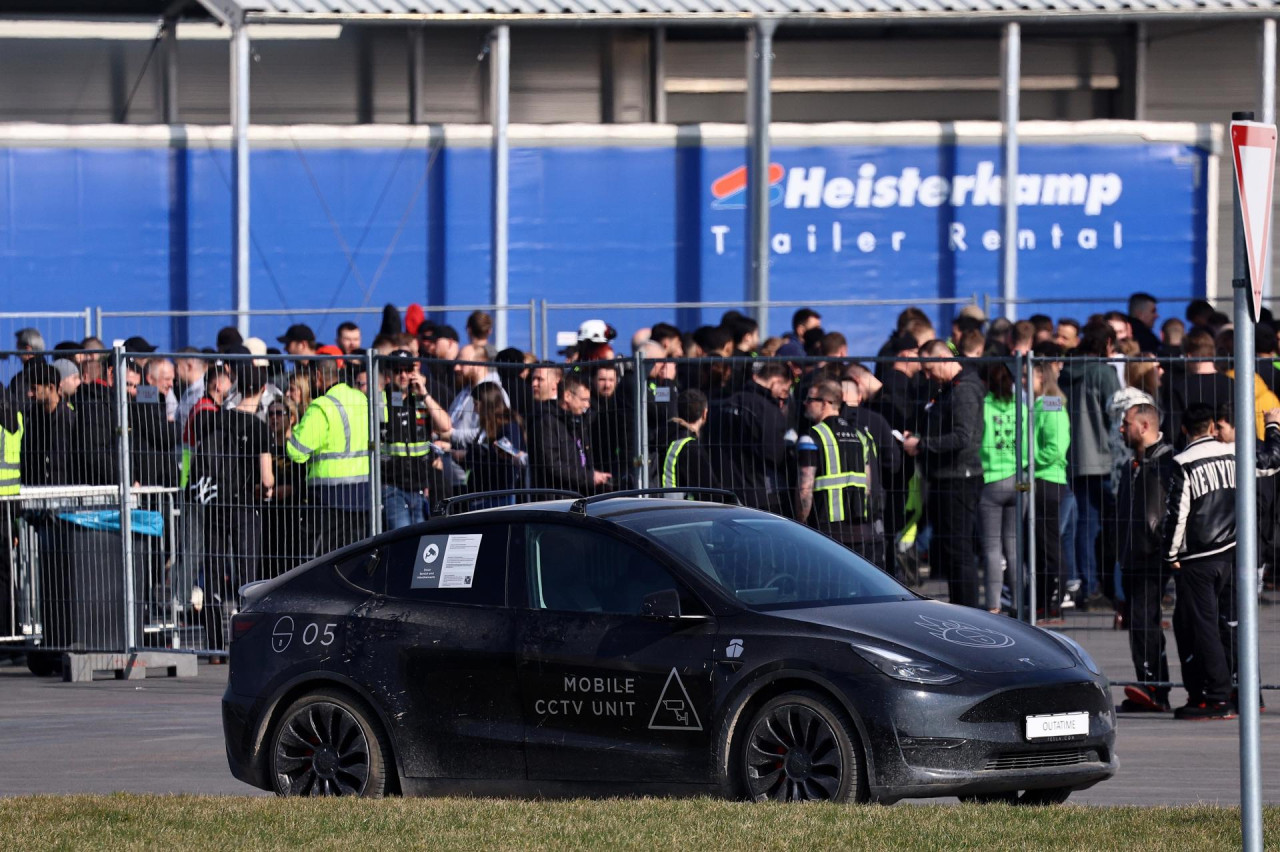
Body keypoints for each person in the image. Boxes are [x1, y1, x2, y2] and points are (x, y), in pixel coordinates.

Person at [1160, 403, 1280, 719]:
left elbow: (1177, 513)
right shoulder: (1234, 452)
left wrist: (1170, 553)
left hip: (1199, 557)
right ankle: (1243, 692)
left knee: (1203, 627)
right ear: (1212, 426)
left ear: (1185, 430)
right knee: (1230, 625)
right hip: (1234, 553)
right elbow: (1271, 464)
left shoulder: (1182, 462)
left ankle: (1215, 697)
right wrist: (1273, 428)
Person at [902, 339, 985, 608]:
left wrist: (923, 444)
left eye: (928, 369)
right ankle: (961, 607)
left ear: (942, 359)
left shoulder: (963, 391)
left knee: (959, 551)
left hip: (959, 479)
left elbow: (962, 437)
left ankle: (969, 611)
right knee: (951, 551)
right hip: (946, 477)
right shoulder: (950, 389)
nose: (927, 376)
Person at [1115, 402, 1175, 712]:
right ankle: (1151, 683)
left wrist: (1163, 545)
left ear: (1144, 426)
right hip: (1133, 553)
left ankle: (1157, 687)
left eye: (1126, 423)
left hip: (1155, 553)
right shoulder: (1132, 465)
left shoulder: (1167, 462)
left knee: (1146, 620)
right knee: (1138, 621)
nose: (1121, 429)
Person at [1058, 320, 1121, 609]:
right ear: (1107, 343)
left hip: (1074, 459)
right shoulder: (1104, 373)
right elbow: (1117, 416)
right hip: (1105, 459)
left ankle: (1086, 583)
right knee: (1113, 526)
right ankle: (1112, 587)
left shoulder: (1065, 373)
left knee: (1084, 525)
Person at [796, 380, 886, 568]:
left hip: (826, 531)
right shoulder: (863, 436)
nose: (805, 403)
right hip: (862, 530)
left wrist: (800, 525)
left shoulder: (811, 436)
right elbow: (869, 486)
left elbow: (805, 490)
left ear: (826, 402)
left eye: (810, 399)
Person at [287, 359, 371, 556]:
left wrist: (293, 430)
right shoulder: (362, 400)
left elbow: (297, 452)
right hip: (363, 495)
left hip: (327, 497)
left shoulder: (322, 406)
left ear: (318, 376)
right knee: (353, 559)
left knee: (320, 562)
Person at [379, 349, 452, 530]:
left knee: (419, 541)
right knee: (403, 536)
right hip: (392, 486)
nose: (403, 375)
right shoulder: (381, 399)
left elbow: (445, 426)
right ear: (389, 373)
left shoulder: (421, 399)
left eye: (408, 370)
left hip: (420, 487)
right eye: (397, 371)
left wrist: (425, 394)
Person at [978, 353, 1026, 613]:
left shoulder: (985, 405)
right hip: (1017, 478)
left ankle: (993, 606)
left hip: (992, 478)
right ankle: (1019, 603)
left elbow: (979, 441)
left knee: (992, 548)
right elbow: (1027, 441)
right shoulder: (1021, 405)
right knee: (1014, 546)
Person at [712, 362, 791, 515]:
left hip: (725, 488)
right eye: (784, 390)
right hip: (759, 492)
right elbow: (774, 454)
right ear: (775, 381)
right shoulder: (767, 409)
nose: (783, 396)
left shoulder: (727, 402)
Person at [1031, 354, 1071, 624]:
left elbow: (1056, 447)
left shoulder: (1050, 404)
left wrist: (1030, 461)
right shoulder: (1040, 404)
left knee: (1049, 545)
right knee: (1042, 546)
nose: (1025, 381)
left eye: (1029, 376)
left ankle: (1053, 601)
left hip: (1048, 479)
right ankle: (1043, 601)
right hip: (1042, 478)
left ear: (1042, 377)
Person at [528, 372, 611, 496]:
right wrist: (589, 477)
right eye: (583, 400)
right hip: (556, 499)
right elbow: (553, 466)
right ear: (567, 396)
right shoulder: (547, 422)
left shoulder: (577, 421)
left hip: (577, 494)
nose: (587, 405)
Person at [464, 381, 528, 505]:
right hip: (483, 494)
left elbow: (508, 455)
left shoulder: (508, 427)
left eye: (476, 404)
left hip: (499, 496)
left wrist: (475, 454)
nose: (474, 410)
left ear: (487, 404)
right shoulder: (487, 429)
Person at [449, 343, 508, 450]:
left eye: (462, 363)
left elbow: (489, 431)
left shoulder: (494, 394)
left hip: (475, 460)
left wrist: (451, 434)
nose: (456, 368)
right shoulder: (464, 392)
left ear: (479, 363)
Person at [661, 388, 720, 493]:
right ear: (704, 413)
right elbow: (709, 491)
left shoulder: (664, 435)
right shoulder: (690, 447)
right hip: (680, 507)